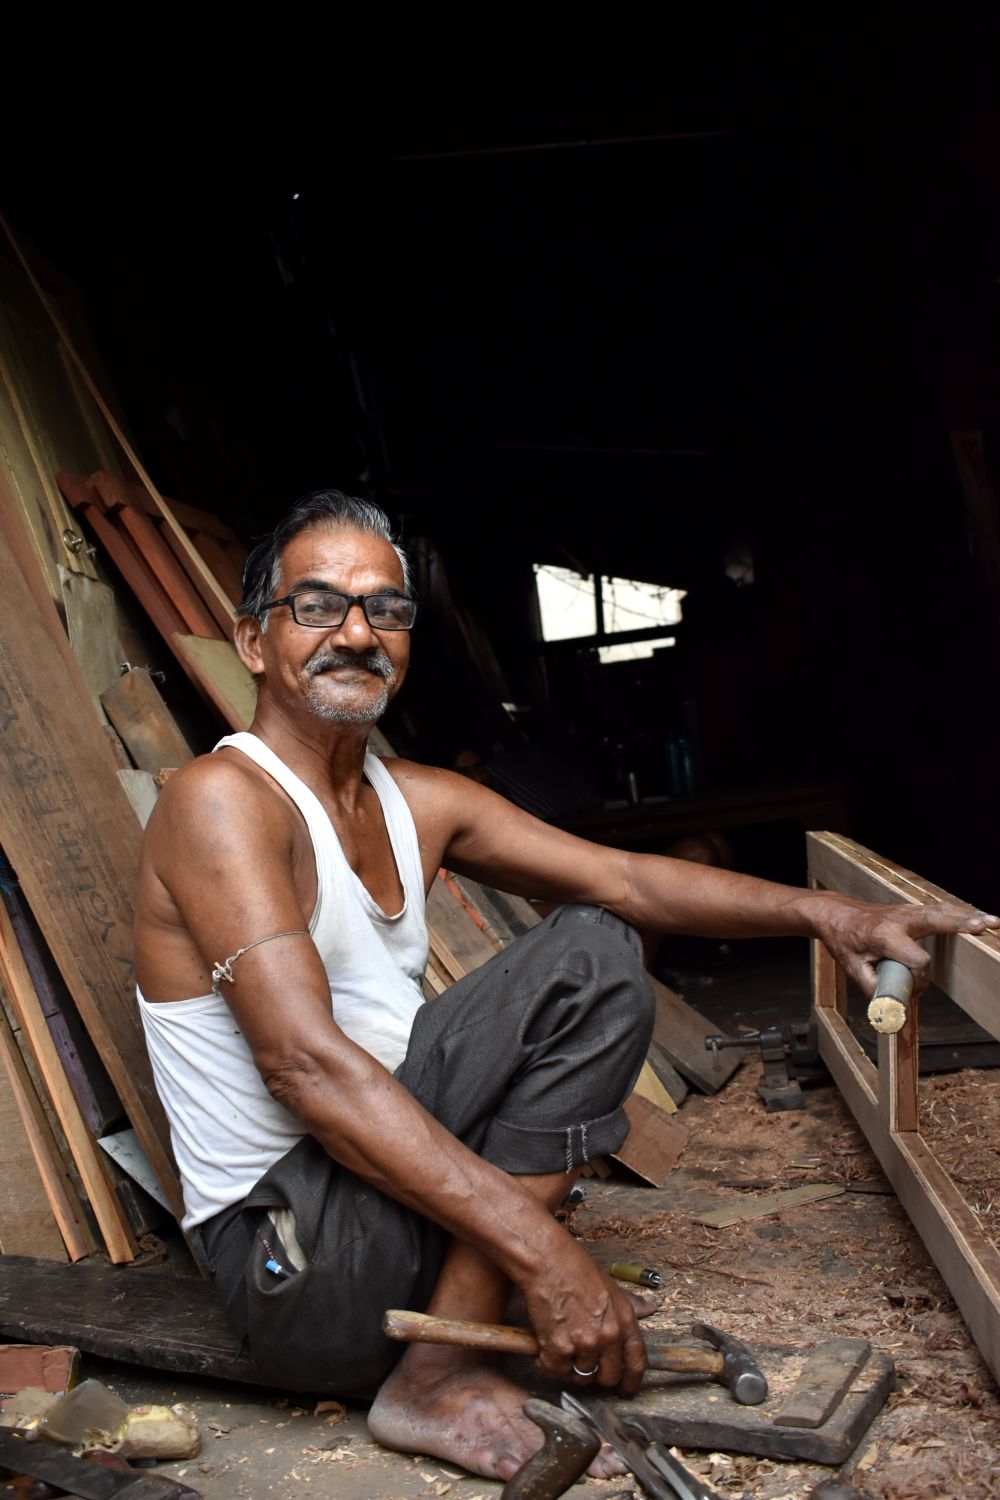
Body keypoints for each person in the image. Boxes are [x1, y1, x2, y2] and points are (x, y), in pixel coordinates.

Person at [133, 489, 997, 1484]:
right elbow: (305, 1069)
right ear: (252, 640)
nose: (358, 633)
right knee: (584, 958)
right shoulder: (221, 802)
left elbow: (627, 878)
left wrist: (831, 915)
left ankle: (442, 1346)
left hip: (387, 1238)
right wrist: (542, 1252)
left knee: (602, 942)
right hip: (295, 1270)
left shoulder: (415, 799)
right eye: (317, 606)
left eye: (387, 609)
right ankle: (441, 1369)